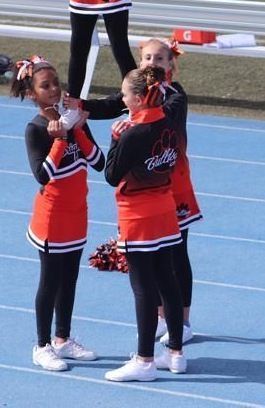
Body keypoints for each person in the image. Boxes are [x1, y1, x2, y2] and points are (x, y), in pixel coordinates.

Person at [67, 38, 201, 345]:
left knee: (176, 254)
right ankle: (158, 317)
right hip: (147, 186)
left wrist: (127, 127)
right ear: (139, 63)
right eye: (147, 57)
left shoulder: (175, 97)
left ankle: (183, 319)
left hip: (174, 184)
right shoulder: (138, 95)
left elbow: (156, 122)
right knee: (152, 256)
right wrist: (81, 106)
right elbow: (115, 102)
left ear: (171, 65)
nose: (152, 62)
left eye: (159, 58)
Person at [10, 55, 103, 372]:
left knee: (71, 280)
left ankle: (63, 339)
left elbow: (99, 162)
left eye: (56, 84)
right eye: (44, 86)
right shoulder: (35, 130)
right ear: (32, 94)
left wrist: (76, 129)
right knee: (50, 282)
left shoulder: (76, 120)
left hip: (78, 214)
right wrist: (60, 139)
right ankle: (42, 345)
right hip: (52, 219)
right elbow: (43, 174)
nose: (53, 89)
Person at [102, 65, 187, 382]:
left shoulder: (132, 133)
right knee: (168, 280)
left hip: (137, 215)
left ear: (137, 98)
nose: (121, 98)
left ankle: (145, 360)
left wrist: (114, 137)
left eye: (124, 93)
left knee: (143, 288)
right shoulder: (169, 121)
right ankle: (176, 353)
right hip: (165, 211)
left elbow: (111, 176)